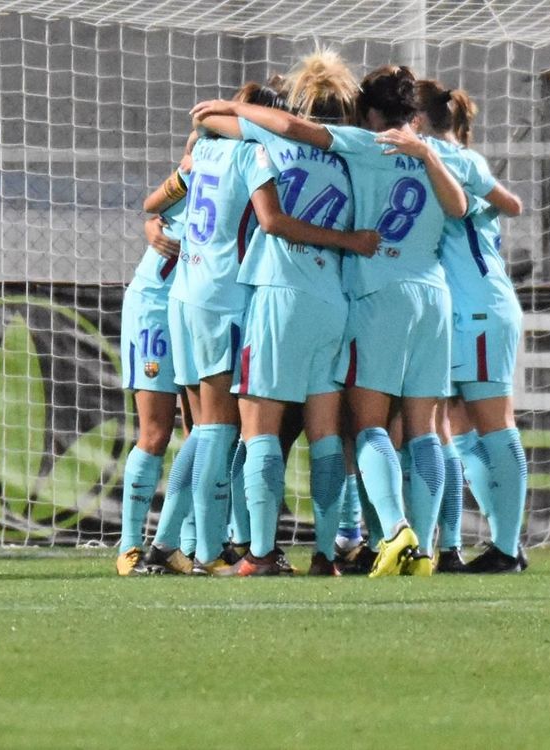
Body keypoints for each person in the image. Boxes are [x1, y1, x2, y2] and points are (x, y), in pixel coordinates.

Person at [194, 64, 486, 577]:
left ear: (366, 112)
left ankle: (265, 550)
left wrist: (236, 106)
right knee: (398, 432)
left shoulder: (350, 146)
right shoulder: (432, 153)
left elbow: (265, 130)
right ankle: (367, 552)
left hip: (324, 294)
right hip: (392, 298)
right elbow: (461, 207)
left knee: (274, 429)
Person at [173, 81, 378, 576]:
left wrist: (229, 109)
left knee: (257, 430)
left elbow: (205, 122)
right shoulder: (355, 157)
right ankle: (326, 554)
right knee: (326, 435)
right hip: (331, 300)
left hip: (278, 295)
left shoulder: (267, 140)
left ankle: (259, 552)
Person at [406, 80, 528, 574]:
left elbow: (511, 203)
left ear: (416, 120)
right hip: (459, 308)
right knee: (456, 424)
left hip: (479, 305)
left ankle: (508, 547)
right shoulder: (457, 158)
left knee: (495, 421)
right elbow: (506, 204)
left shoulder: (445, 157)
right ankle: (489, 540)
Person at [115, 131, 197, 576]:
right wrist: (154, 219)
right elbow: (152, 205)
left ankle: (188, 544)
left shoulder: (250, 176)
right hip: (157, 306)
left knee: (203, 431)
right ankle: (130, 545)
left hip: (203, 308)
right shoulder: (194, 171)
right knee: (155, 431)